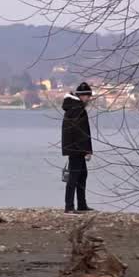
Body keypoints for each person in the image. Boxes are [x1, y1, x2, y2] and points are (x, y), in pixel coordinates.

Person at [61, 82, 94, 213]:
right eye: (88, 96)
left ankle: (81, 204)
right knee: (74, 178)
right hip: (77, 148)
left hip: (74, 147)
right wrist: (86, 150)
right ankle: (69, 207)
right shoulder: (77, 109)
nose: (89, 99)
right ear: (81, 96)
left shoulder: (73, 108)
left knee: (81, 175)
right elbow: (81, 132)